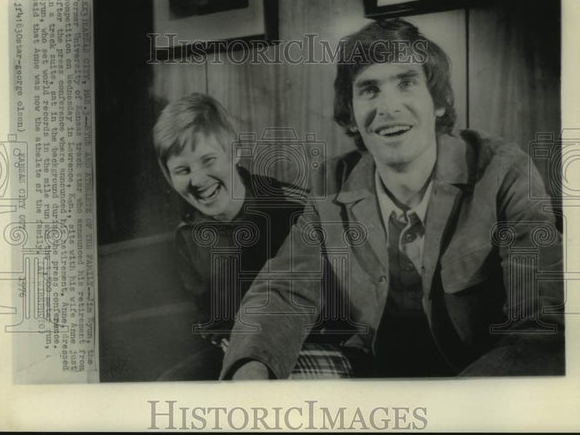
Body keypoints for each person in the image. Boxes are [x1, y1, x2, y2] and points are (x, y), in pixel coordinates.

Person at [220, 19, 565, 380]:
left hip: (481, 378)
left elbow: (542, 324)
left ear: (438, 103)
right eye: (369, 90)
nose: (388, 107)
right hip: (374, 377)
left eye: (406, 83)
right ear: (352, 116)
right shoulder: (331, 183)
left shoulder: (503, 170)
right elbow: (285, 290)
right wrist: (251, 370)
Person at [153, 93, 352, 380]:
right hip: (234, 352)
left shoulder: (295, 210)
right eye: (182, 170)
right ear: (168, 176)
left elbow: (336, 308)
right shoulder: (187, 236)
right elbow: (211, 319)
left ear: (235, 152)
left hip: (308, 343)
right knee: (169, 386)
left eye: (208, 160)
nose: (197, 180)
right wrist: (228, 345)